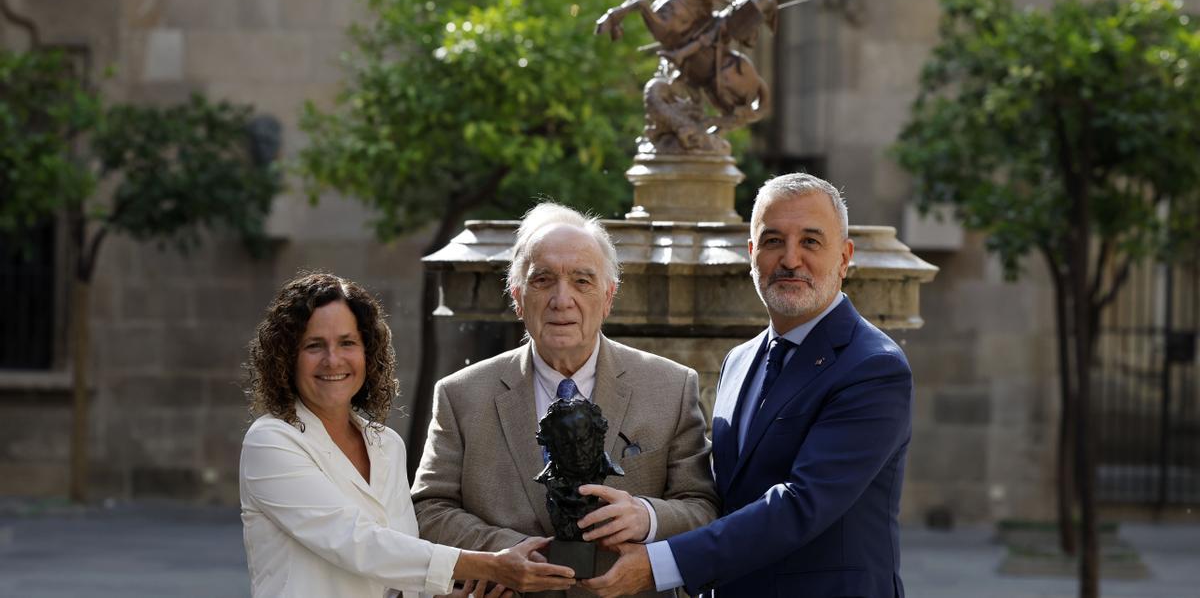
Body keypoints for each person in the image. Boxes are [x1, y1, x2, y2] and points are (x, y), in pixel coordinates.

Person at [584, 173, 914, 597]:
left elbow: (801, 506)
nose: (791, 259)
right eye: (774, 241)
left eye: (811, 242)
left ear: (845, 257)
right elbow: (721, 495)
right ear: (752, 253)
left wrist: (661, 564)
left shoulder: (873, 367)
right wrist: (644, 517)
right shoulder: (739, 361)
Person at [411, 202, 719, 598]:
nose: (562, 299)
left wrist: (647, 517)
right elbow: (427, 510)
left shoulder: (672, 386)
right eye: (543, 281)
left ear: (608, 297)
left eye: (582, 281)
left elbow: (703, 507)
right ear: (517, 296)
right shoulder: (461, 394)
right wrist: (500, 554)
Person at [239, 271, 576, 598]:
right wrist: (490, 566)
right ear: (286, 358)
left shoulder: (385, 444)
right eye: (314, 345)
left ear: (367, 354)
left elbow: (397, 573)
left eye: (347, 343)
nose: (333, 360)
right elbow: (358, 544)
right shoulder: (271, 441)